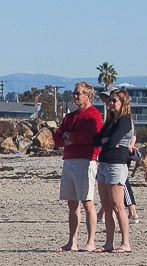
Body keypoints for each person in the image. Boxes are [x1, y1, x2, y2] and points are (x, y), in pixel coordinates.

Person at [51, 82, 103, 251]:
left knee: (87, 202)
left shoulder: (94, 115)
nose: (75, 96)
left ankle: (90, 241)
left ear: (88, 96)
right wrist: (69, 138)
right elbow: (58, 138)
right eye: (74, 93)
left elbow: (88, 136)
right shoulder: (70, 117)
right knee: (72, 203)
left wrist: (70, 137)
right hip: (69, 160)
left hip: (85, 161)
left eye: (78, 93)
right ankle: (72, 241)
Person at [91, 89, 135, 253]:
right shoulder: (110, 121)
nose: (110, 103)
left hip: (117, 164)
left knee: (118, 205)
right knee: (106, 204)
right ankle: (109, 242)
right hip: (103, 163)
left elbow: (112, 142)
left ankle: (125, 242)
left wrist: (107, 141)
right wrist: (104, 140)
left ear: (123, 103)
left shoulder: (125, 121)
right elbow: (95, 140)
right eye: (110, 100)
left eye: (114, 100)